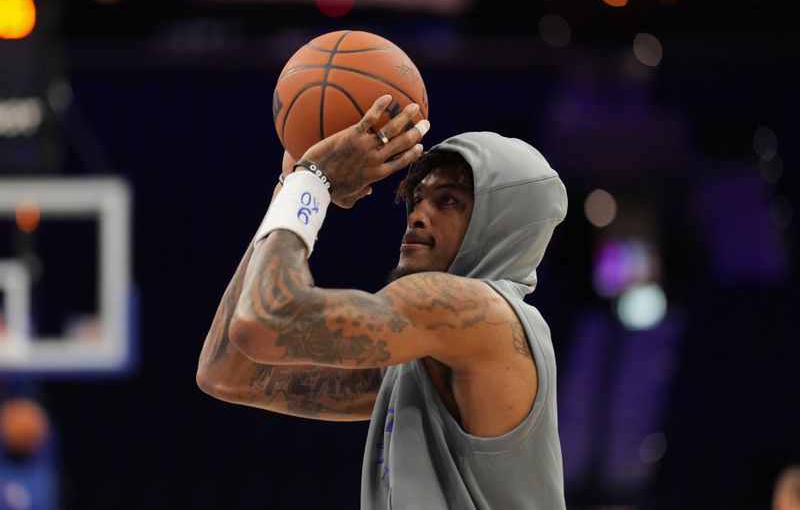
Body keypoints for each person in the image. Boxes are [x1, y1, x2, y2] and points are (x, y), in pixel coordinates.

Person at [197, 95, 568, 509]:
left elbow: (264, 322)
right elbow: (227, 372)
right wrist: (289, 192)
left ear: (504, 224)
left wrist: (312, 181)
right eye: (416, 199)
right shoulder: (428, 355)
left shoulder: (473, 311)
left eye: (448, 201)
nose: (417, 215)